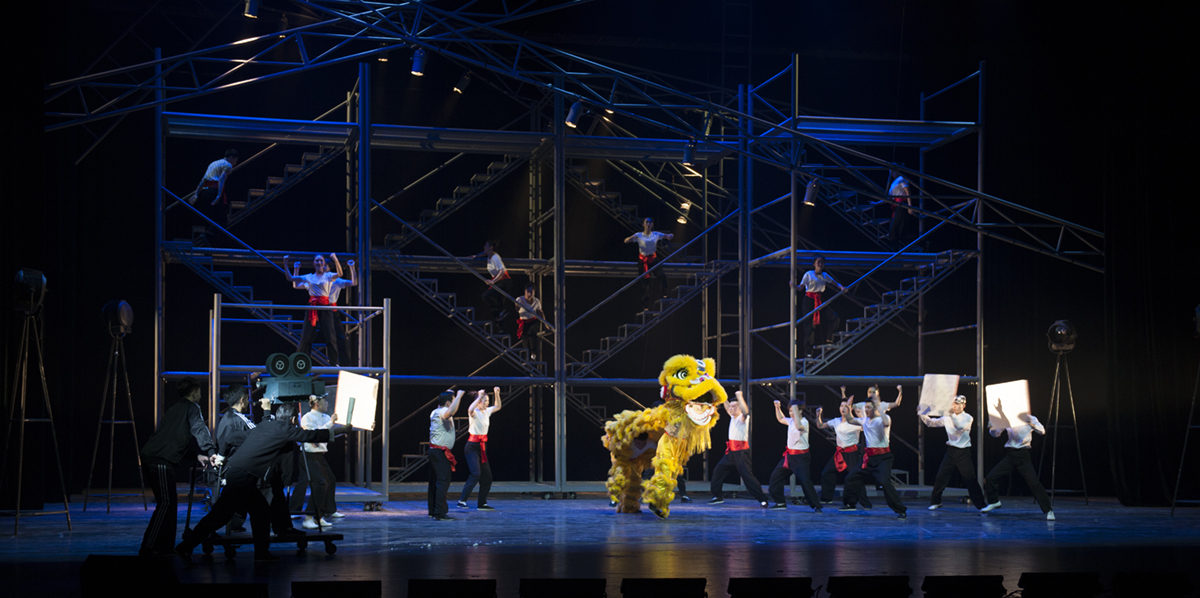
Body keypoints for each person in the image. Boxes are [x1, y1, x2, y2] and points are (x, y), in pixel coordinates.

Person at [175, 401, 349, 563]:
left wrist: (221, 456)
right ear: (293, 419)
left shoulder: (264, 426)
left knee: (260, 511)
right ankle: (185, 547)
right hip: (243, 476)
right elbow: (311, 435)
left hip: (240, 472)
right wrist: (340, 430)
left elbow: (230, 438)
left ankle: (261, 553)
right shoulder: (286, 429)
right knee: (221, 515)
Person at [138, 378, 219, 556]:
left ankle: (165, 548)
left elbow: (171, 440)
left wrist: (197, 456)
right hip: (160, 460)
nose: (200, 396)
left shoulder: (174, 409)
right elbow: (200, 429)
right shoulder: (192, 408)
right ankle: (148, 547)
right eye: (199, 392)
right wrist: (211, 450)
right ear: (194, 393)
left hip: (154, 458)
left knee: (169, 503)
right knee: (166, 503)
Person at [841, 385, 908, 519]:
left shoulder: (883, 419)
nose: (866, 410)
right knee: (850, 478)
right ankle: (850, 503)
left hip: (883, 458)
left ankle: (900, 510)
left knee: (885, 483)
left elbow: (886, 423)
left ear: (875, 408)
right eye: (865, 408)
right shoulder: (864, 420)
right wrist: (848, 408)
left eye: (869, 408)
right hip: (869, 458)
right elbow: (850, 419)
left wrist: (879, 406)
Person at [211, 385, 270, 533]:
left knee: (225, 511)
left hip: (232, 470)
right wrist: (267, 412)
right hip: (239, 472)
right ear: (242, 400)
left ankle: (233, 526)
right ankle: (195, 537)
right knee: (260, 507)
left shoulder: (225, 418)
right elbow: (262, 436)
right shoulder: (238, 419)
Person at [981, 409, 1055, 520]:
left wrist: (1031, 423)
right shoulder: (1007, 419)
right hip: (1010, 455)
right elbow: (996, 434)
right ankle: (994, 501)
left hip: (1023, 456)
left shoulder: (1030, 418)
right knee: (991, 477)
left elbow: (1042, 431)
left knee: (1034, 483)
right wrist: (992, 427)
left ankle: (1048, 510)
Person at [284, 253, 356, 366]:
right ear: (313, 263)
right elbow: (291, 279)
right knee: (306, 336)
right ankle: (300, 362)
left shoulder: (329, 276)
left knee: (330, 336)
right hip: (312, 307)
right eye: (317, 261)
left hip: (326, 307)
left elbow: (340, 274)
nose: (319, 263)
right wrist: (285, 263)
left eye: (321, 260)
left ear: (324, 263)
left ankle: (334, 363)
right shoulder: (309, 277)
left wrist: (335, 258)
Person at [919, 395, 987, 511]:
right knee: (941, 477)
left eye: (958, 404)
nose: (955, 406)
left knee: (970, 479)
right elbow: (931, 423)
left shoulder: (968, 418)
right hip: (951, 451)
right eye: (954, 404)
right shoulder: (948, 417)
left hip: (963, 452)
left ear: (964, 405)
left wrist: (950, 416)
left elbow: (959, 428)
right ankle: (936, 501)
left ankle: (981, 505)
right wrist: (922, 413)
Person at [708, 390, 769, 507]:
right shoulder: (733, 416)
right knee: (718, 471)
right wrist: (721, 394)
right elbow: (726, 405)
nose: (731, 409)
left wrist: (740, 396)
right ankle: (717, 496)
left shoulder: (742, 418)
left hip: (741, 452)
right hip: (731, 451)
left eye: (734, 407)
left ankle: (763, 499)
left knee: (747, 477)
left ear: (740, 407)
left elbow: (746, 411)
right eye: (730, 407)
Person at [815, 391, 873, 508]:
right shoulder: (836, 421)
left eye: (845, 406)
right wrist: (818, 415)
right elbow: (820, 425)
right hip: (839, 453)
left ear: (850, 408)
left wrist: (861, 414)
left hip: (851, 453)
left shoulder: (855, 422)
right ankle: (826, 498)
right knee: (827, 473)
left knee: (855, 477)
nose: (843, 408)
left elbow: (867, 425)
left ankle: (865, 502)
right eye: (841, 406)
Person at [291, 395, 341, 529]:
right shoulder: (307, 417)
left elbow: (333, 432)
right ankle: (309, 517)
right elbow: (313, 435)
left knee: (328, 481)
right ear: (317, 403)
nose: (327, 403)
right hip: (308, 455)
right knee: (320, 483)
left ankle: (319, 516)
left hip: (319, 456)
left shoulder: (326, 417)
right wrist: (330, 423)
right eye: (325, 401)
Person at [767, 398, 822, 512]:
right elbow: (781, 418)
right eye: (790, 411)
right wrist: (777, 407)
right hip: (789, 456)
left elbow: (799, 427)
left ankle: (816, 505)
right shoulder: (791, 421)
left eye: (794, 411)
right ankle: (780, 502)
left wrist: (796, 412)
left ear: (800, 411)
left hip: (800, 458)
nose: (791, 413)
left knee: (805, 481)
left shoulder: (804, 422)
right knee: (775, 478)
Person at [458, 387, 502, 510]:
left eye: (488, 401)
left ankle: (482, 503)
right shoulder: (474, 412)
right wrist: (479, 396)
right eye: (484, 400)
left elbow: (498, 406)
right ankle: (462, 500)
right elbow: (469, 409)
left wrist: (497, 393)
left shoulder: (486, 411)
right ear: (478, 402)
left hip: (482, 447)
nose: (487, 403)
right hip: (472, 447)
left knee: (487, 476)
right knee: (476, 473)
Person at [795, 255, 845, 356]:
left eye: (822, 262)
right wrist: (793, 286)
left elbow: (836, 283)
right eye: (818, 262)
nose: (820, 264)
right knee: (809, 326)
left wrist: (841, 287)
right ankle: (808, 351)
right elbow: (800, 287)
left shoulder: (825, 275)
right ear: (814, 264)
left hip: (819, 300)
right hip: (809, 300)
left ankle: (829, 339)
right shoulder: (808, 274)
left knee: (834, 317)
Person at [624, 217, 674, 310]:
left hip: (653, 260)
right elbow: (626, 240)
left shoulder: (655, 234)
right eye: (647, 222)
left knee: (662, 275)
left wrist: (669, 236)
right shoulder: (639, 235)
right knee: (645, 284)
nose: (648, 224)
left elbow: (666, 236)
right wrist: (631, 238)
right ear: (643, 224)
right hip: (643, 261)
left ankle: (664, 293)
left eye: (650, 222)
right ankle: (645, 305)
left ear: (652, 225)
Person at [429, 390, 464, 521]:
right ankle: (439, 513)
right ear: (448, 403)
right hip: (439, 452)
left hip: (437, 452)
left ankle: (434, 510)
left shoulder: (436, 411)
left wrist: (452, 395)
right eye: (453, 401)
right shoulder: (441, 412)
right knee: (443, 481)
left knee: (436, 482)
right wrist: (459, 396)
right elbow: (451, 412)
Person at [192, 149, 239, 244]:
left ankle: (208, 241)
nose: (235, 163)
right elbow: (221, 179)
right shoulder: (228, 165)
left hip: (205, 191)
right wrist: (219, 195)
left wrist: (196, 194)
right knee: (222, 220)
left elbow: (204, 179)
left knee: (212, 218)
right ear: (231, 158)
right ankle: (208, 236)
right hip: (214, 190)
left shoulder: (213, 163)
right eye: (235, 160)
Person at [469, 241, 512, 331]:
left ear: (491, 247)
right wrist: (476, 256)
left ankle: (501, 311)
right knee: (495, 308)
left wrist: (493, 281)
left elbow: (502, 271)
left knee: (486, 296)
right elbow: (484, 253)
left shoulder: (495, 257)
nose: (484, 247)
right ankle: (502, 328)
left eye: (486, 245)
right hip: (498, 282)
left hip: (503, 282)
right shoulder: (489, 254)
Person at [514, 284, 545, 357]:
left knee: (532, 333)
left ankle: (533, 353)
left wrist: (546, 325)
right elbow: (517, 309)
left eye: (531, 292)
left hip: (533, 320)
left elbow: (540, 312)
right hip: (524, 322)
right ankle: (527, 356)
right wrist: (519, 305)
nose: (529, 294)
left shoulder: (536, 301)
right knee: (525, 339)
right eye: (528, 291)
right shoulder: (520, 299)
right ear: (525, 291)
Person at [885, 170, 914, 245]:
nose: (891, 173)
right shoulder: (893, 183)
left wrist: (910, 206)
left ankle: (896, 251)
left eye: (893, 171)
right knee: (898, 231)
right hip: (896, 207)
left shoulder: (901, 178)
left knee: (894, 230)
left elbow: (908, 192)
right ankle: (921, 243)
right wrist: (876, 203)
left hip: (901, 205)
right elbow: (889, 198)